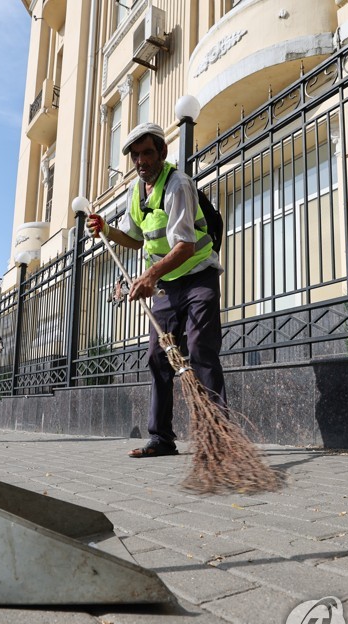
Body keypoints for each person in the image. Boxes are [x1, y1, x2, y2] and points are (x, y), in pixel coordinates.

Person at [86, 122, 225, 458]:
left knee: (200, 348)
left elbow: (186, 246)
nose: (140, 160)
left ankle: (217, 436)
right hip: (166, 287)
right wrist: (107, 229)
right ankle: (162, 438)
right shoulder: (138, 191)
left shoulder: (178, 185)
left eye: (147, 152)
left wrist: (149, 276)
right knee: (157, 357)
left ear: (162, 152)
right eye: (135, 155)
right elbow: (135, 240)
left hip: (197, 278)